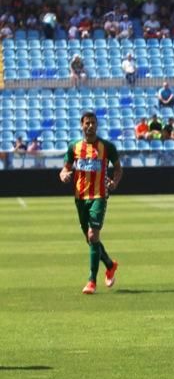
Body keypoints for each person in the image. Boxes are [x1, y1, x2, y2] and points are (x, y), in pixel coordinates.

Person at [59, 112, 122, 295]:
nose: (90, 126)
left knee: (93, 234)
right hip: (80, 198)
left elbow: (118, 168)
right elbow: (65, 168)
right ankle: (110, 265)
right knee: (90, 239)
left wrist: (115, 182)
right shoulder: (74, 147)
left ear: (97, 125)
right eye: (87, 123)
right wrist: (63, 175)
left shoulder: (107, 147)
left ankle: (91, 281)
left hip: (99, 196)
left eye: (93, 123)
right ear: (82, 125)